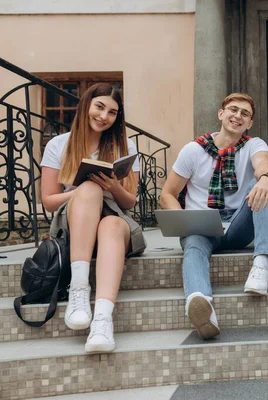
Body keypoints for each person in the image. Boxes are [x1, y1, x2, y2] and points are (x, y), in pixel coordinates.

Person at [160, 93, 268, 340]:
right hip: (202, 225)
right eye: (233, 110)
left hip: (237, 225)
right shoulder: (193, 150)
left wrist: (265, 177)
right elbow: (168, 194)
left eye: (245, 114)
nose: (238, 116)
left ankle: (262, 264)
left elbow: (262, 162)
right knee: (193, 245)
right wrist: (182, 220)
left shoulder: (253, 145)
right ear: (221, 114)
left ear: (249, 123)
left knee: (263, 185)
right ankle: (201, 304)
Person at [41, 83, 145, 353]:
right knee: (87, 189)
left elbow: (130, 202)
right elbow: (49, 200)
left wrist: (112, 188)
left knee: (110, 223)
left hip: (115, 220)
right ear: (86, 105)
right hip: (74, 224)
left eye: (112, 112)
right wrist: (83, 192)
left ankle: (102, 320)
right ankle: (78, 289)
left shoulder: (125, 145)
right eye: (99, 107)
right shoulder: (58, 145)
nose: (104, 116)